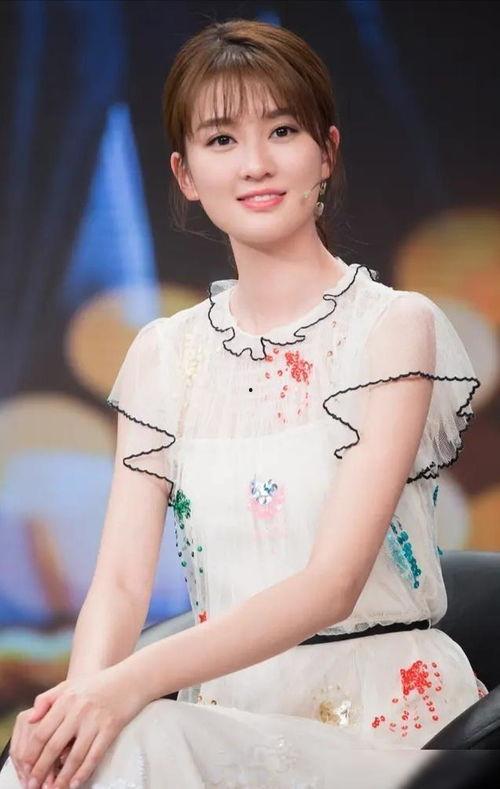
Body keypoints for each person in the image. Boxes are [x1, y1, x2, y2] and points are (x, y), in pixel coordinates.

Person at [1, 18, 487, 789]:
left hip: (383, 722)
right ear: (185, 173)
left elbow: (333, 581)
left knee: (142, 738)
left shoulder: (393, 327)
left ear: (326, 152)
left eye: (282, 131)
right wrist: (79, 710)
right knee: (65, 763)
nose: (255, 163)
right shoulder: (163, 354)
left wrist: (128, 686)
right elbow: (120, 584)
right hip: (220, 719)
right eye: (222, 139)